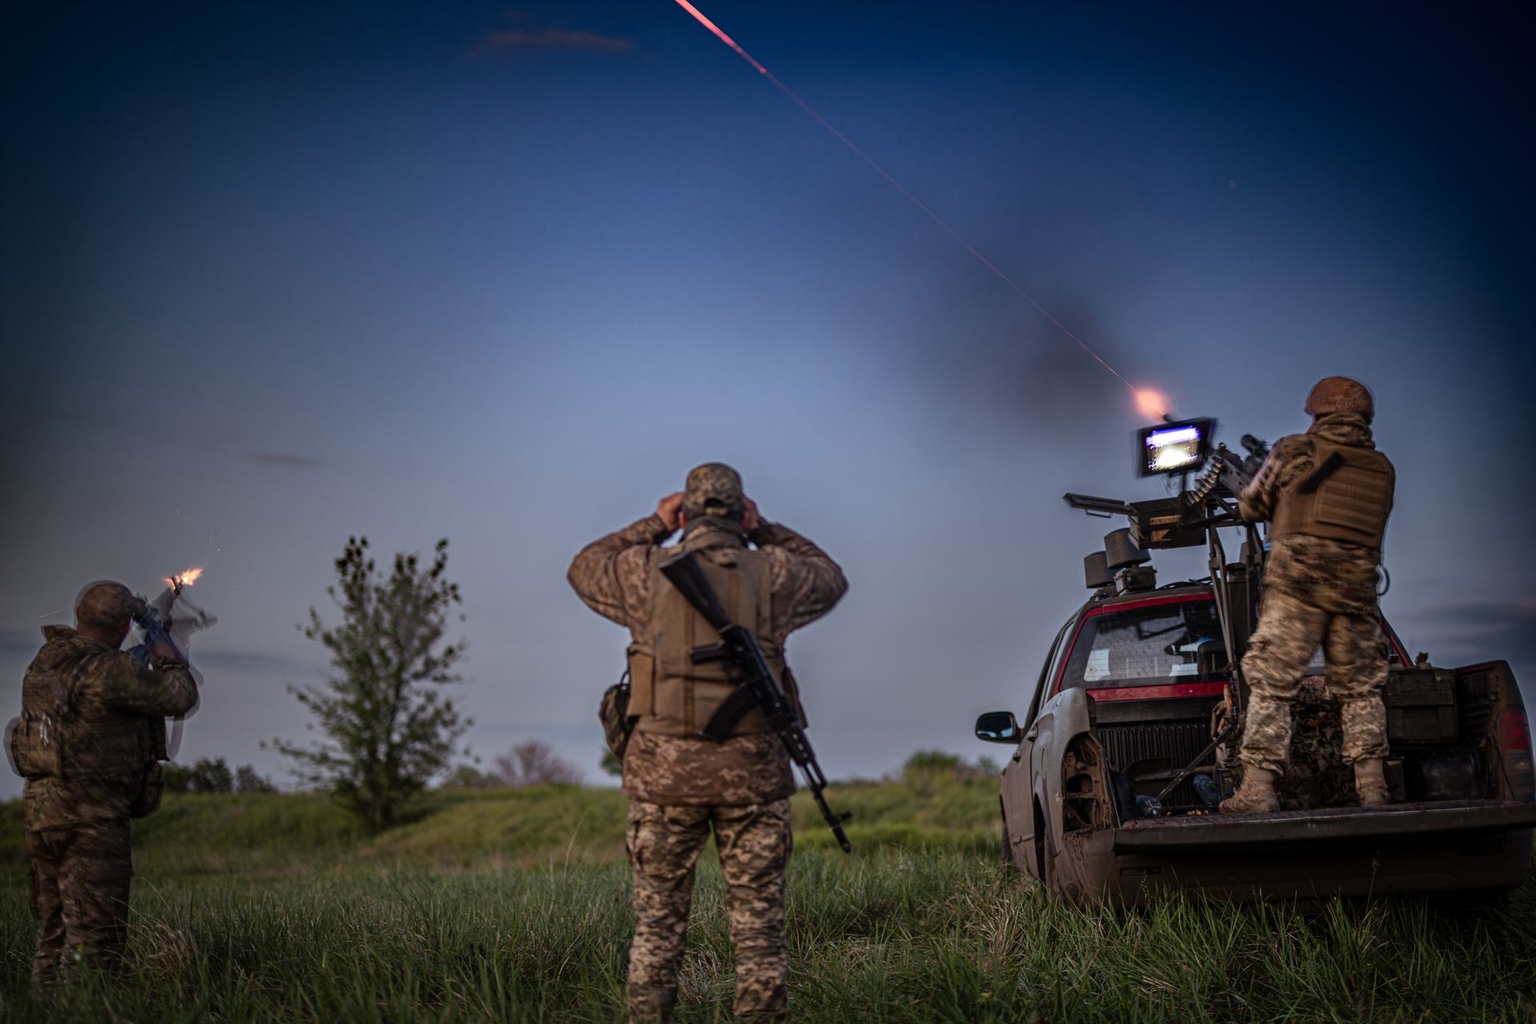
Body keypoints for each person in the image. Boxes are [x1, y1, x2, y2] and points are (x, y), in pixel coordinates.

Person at [568, 462, 847, 1023]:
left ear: (684, 512)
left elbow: (584, 568)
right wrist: (765, 530)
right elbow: (831, 576)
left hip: (663, 782)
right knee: (759, 932)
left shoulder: (646, 570)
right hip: (754, 779)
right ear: (742, 511)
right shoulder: (776, 573)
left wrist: (651, 523)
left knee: (657, 930)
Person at [9, 581, 199, 988]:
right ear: (121, 624)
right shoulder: (109, 670)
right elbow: (179, 697)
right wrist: (166, 657)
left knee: (53, 939)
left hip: (43, 817)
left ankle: (44, 1014)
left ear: (79, 615)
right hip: (90, 821)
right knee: (95, 946)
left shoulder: (46, 661)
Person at [1221, 377, 1395, 814]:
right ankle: (1373, 788)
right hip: (1356, 592)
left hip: (1297, 585)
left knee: (1272, 685)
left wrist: (1265, 490)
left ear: (1318, 413)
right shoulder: (1381, 467)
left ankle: (1258, 790)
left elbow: (1251, 505)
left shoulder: (1293, 450)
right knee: (1361, 690)